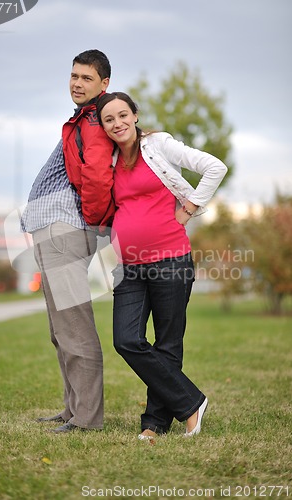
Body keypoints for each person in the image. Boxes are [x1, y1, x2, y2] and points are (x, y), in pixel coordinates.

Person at [96, 92, 228, 443]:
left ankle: (154, 424)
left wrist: (190, 208)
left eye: (123, 115)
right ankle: (191, 403)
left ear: (135, 116)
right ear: (104, 127)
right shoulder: (108, 160)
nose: (117, 123)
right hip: (128, 264)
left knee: (167, 343)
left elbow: (216, 167)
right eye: (109, 119)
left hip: (170, 258)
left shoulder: (159, 145)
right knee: (126, 339)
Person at [21, 50, 115, 433]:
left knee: (74, 327)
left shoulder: (95, 120)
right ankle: (73, 409)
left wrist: (88, 223)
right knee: (60, 330)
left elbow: (96, 179)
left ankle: (87, 419)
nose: (76, 83)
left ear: (103, 84)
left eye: (86, 78)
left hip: (66, 229)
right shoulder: (82, 119)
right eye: (73, 75)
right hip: (54, 228)